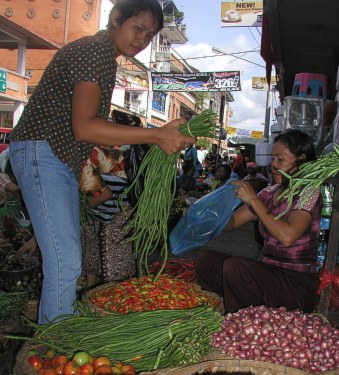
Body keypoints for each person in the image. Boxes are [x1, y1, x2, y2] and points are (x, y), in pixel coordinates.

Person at [9, 0, 195, 324]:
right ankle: (54, 348)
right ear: (115, 19)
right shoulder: (96, 51)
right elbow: (85, 128)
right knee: (66, 262)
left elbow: (88, 134)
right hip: (43, 153)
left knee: (66, 257)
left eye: (149, 35)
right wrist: (156, 135)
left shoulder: (104, 58)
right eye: (138, 28)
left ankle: (55, 342)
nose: (142, 39)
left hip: (56, 159)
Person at [195, 129, 322, 314]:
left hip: (296, 283)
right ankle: (230, 311)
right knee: (205, 260)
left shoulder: (308, 193)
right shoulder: (269, 193)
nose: (274, 164)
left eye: (281, 159)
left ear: (301, 160)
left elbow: (287, 237)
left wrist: (254, 200)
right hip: (268, 273)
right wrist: (209, 213)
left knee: (236, 268)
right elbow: (231, 223)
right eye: (273, 159)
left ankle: (242, 322)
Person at [80, 146, 135, 289]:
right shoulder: (91, 153)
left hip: (119, 210)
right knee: (92, 254)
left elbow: (105, 195)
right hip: (103, 212)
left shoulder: (85, 158)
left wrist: (80, 208)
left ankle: (111, 303)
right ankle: (92, 294)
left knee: (116, 270)